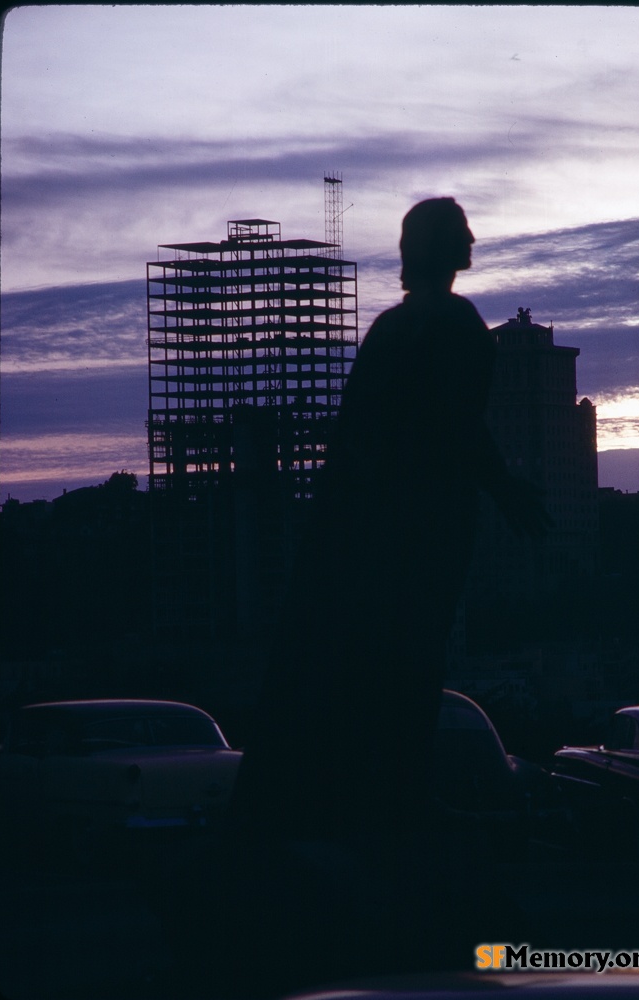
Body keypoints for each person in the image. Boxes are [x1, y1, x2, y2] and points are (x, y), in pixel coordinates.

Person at [230, 197, 550, 844]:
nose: (474, 239)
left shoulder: (389, 328)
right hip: (425, 521)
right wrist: (503, 490)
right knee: (412, 662)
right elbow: (457, 425)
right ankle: (400, 799)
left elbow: (364, 438)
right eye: (461, 231)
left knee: (384, 661)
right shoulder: (455, 322)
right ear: (436, 245)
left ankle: (381, 795)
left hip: (374, 527)